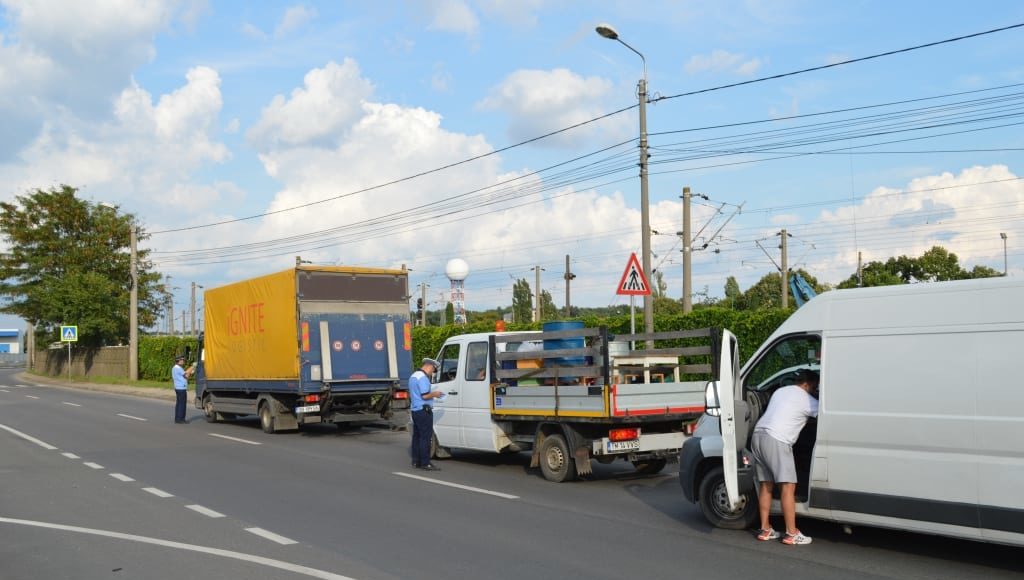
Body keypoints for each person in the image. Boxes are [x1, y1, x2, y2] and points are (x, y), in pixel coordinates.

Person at [750, 369, 819, 545]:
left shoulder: (781, 391)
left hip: (758, 435)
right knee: (788, 487)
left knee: (766, 485)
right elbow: (824, 416)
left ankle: (765, 529)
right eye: (814, 387)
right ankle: (791, 533)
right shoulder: (808, 399)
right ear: (807, 384)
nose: (814, 390)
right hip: (777, 439)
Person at [409, 358, 444, 471]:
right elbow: (425, 395)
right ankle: (426, 463)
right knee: (425, 437)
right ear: (429, 366)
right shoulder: (423, 378)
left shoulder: (413, 376)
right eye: (433, 369)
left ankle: (416, 461)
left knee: (417, 436)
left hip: (415, 410)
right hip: (424, 410)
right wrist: (436, 394)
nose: (432, 372)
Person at [171, 355, 191, 424]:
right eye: (182, 360)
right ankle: (181, 419)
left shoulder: (174, 368)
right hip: (181, 388)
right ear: (178, 361)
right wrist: (192, 368)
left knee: (179, 404)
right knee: (182, 404)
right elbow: (186, 376)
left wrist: (189, 371)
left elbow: (184, 374)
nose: (183, 361)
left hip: (177, 387)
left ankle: (177, 418)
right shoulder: (179, 368)